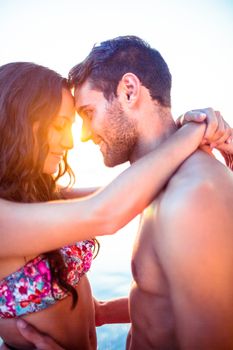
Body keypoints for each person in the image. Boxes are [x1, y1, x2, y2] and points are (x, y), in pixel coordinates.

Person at [14, 36, 233, 350]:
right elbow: (162, 297)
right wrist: (100, 313)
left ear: (129, 90)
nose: (85, 135)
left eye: (88, 113)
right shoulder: (158, 183)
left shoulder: (195, 197)